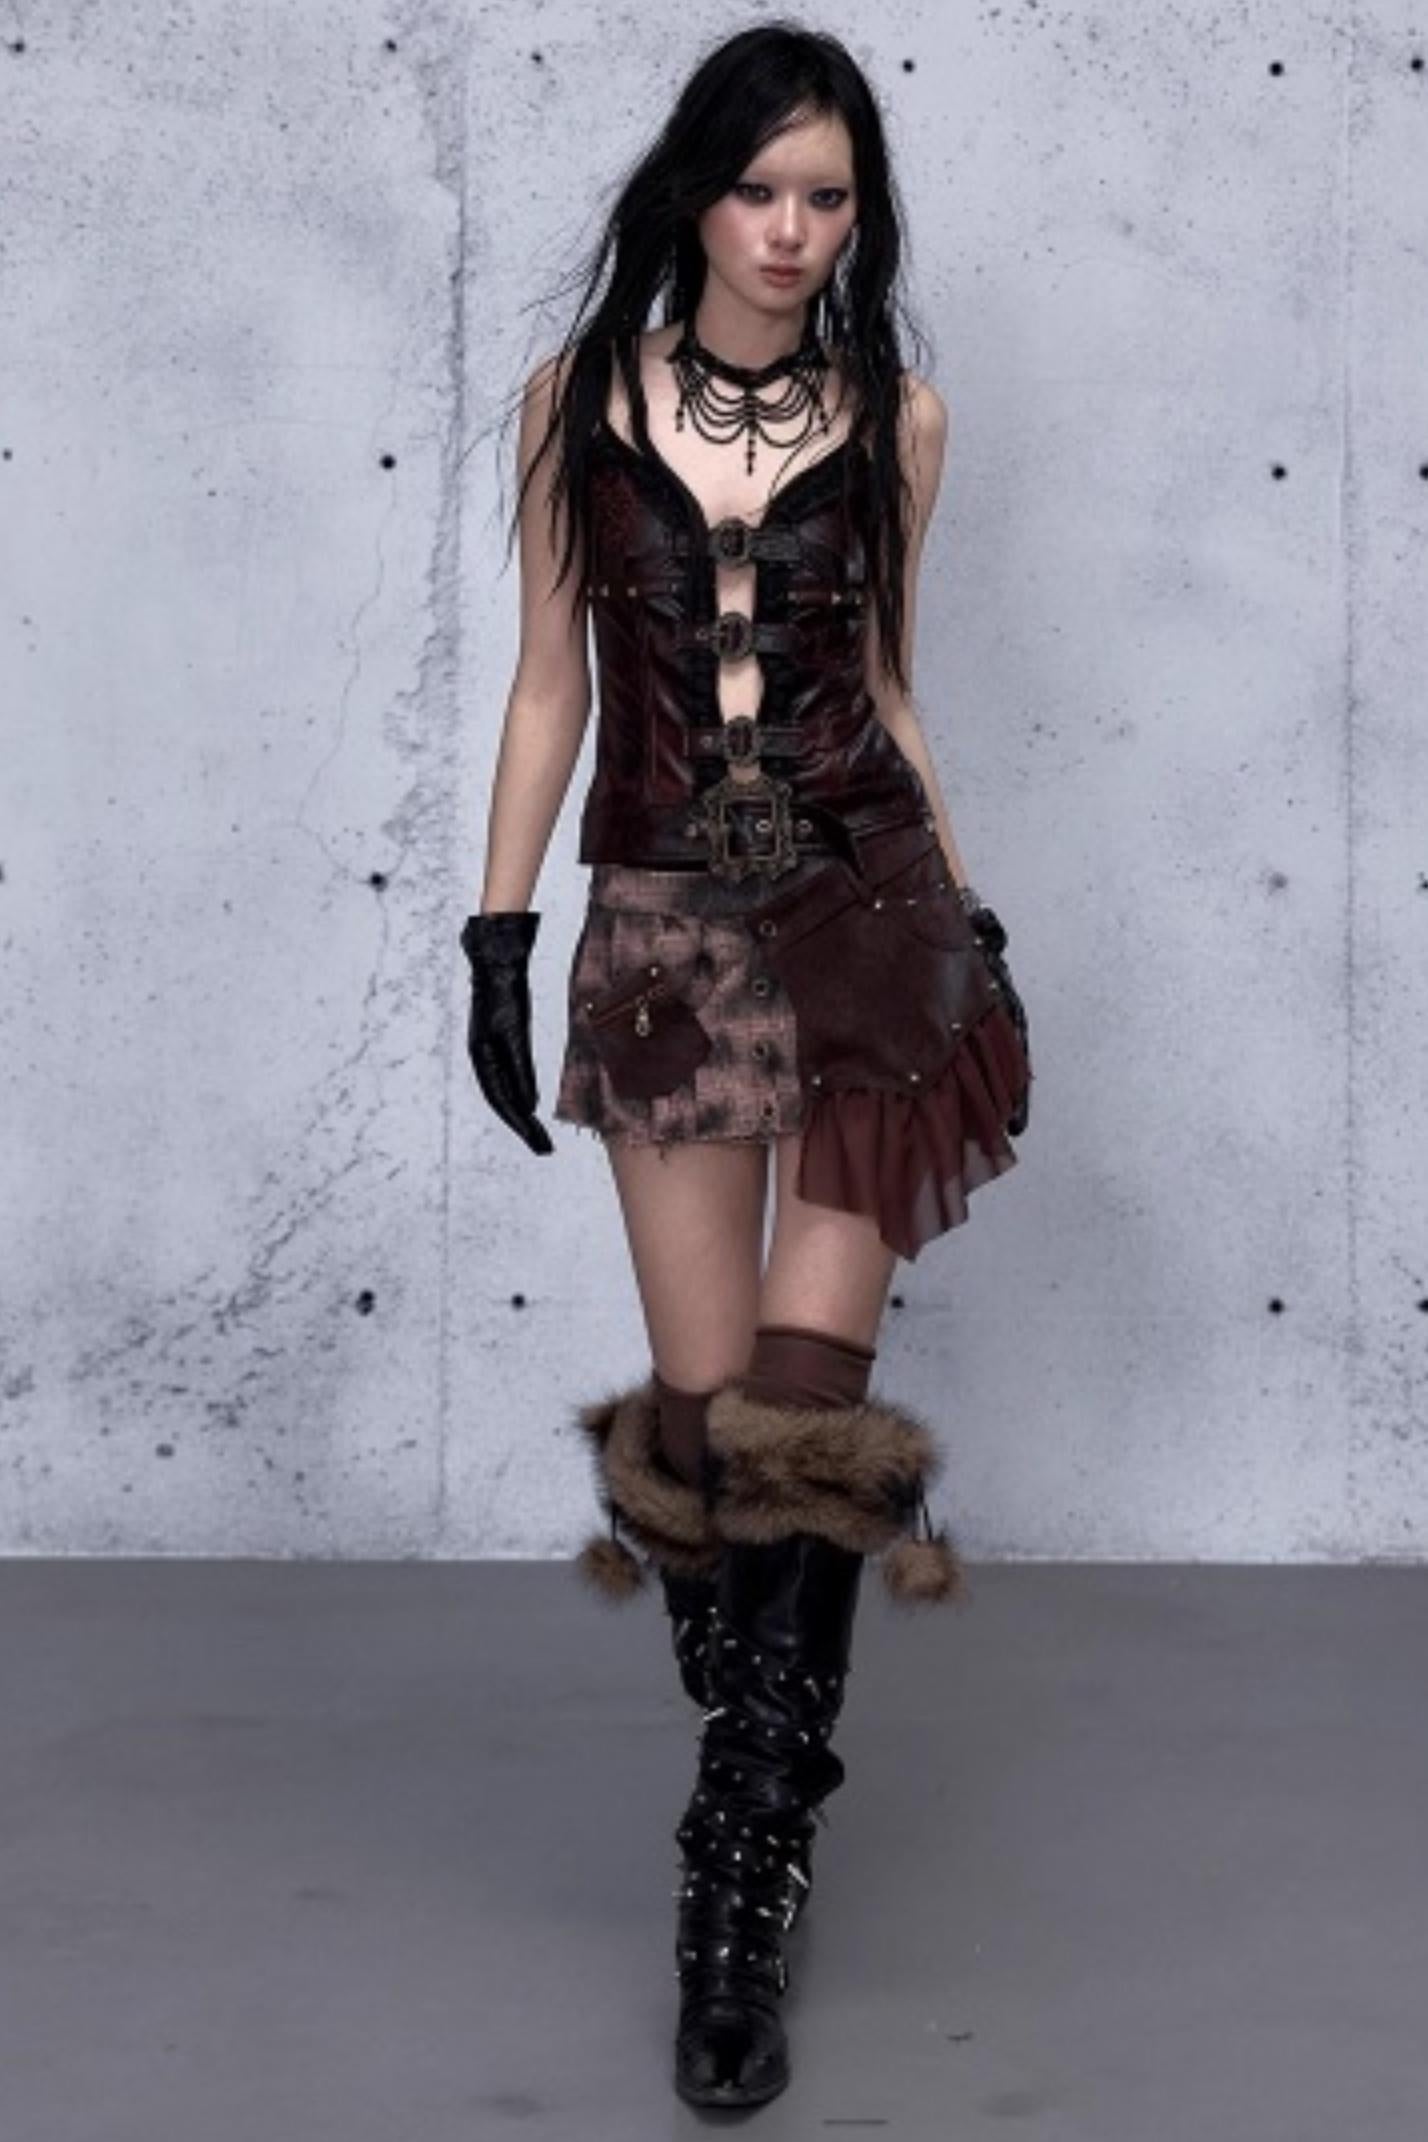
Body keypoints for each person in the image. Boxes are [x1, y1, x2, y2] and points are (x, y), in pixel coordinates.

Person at [460, 22, 1033, 2113]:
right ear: (694, 196)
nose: (793, 234)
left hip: (871, 927)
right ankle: (763, 1701)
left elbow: (888, 686)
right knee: (710, 1436)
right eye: (760, 191)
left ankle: (737, 1889)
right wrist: (498, 933)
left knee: (804, 1412)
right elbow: (549, 685)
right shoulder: (575, 401)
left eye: (830, 199)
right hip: (665, 943)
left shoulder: (903, 421)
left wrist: (975, 921)